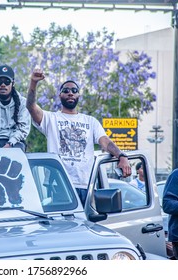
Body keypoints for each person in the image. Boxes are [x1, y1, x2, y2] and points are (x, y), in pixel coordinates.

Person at [26, 68, 131, 205]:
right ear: (60, 95)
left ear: (78, 96)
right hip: (59, 185)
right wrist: (33, 83)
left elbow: (105, 142)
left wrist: (121, 156)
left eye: (74, 91)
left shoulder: (90, 121)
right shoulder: (51, 119)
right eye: (66, 90)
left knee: (86, 224)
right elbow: (30, 106)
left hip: (86, 184)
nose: (70, 93)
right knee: (64, 225)